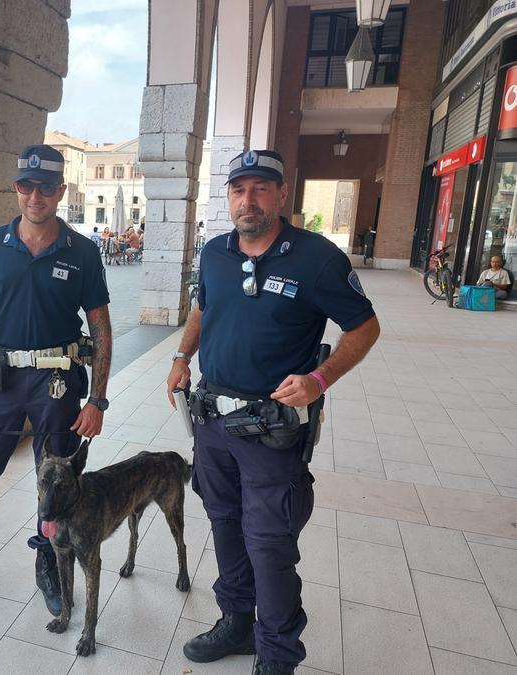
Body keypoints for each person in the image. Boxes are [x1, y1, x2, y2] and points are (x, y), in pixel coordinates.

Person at [166, 149, 380, 675]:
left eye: (261, 188)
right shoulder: (215, 253)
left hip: (272, 432)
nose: (249, 199)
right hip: (213, 422)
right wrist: (180, 356)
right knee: (224, 526)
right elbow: (202, 307)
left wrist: (319, 379)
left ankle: (279, 655)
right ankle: (237, 621)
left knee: (269, 545)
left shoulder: (317, 259)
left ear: (281, 194)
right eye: (239, 189)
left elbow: (365, 327)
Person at [0, 144, 112, 621]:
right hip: (0, 381)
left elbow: (101, 328)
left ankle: (48, 563)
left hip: (57, 385)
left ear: (60, 191)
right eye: (27, 186)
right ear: (16, 188)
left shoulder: (82, 252)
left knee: (55, 480)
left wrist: (98, 399)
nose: (35, 196)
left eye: (46, 187)